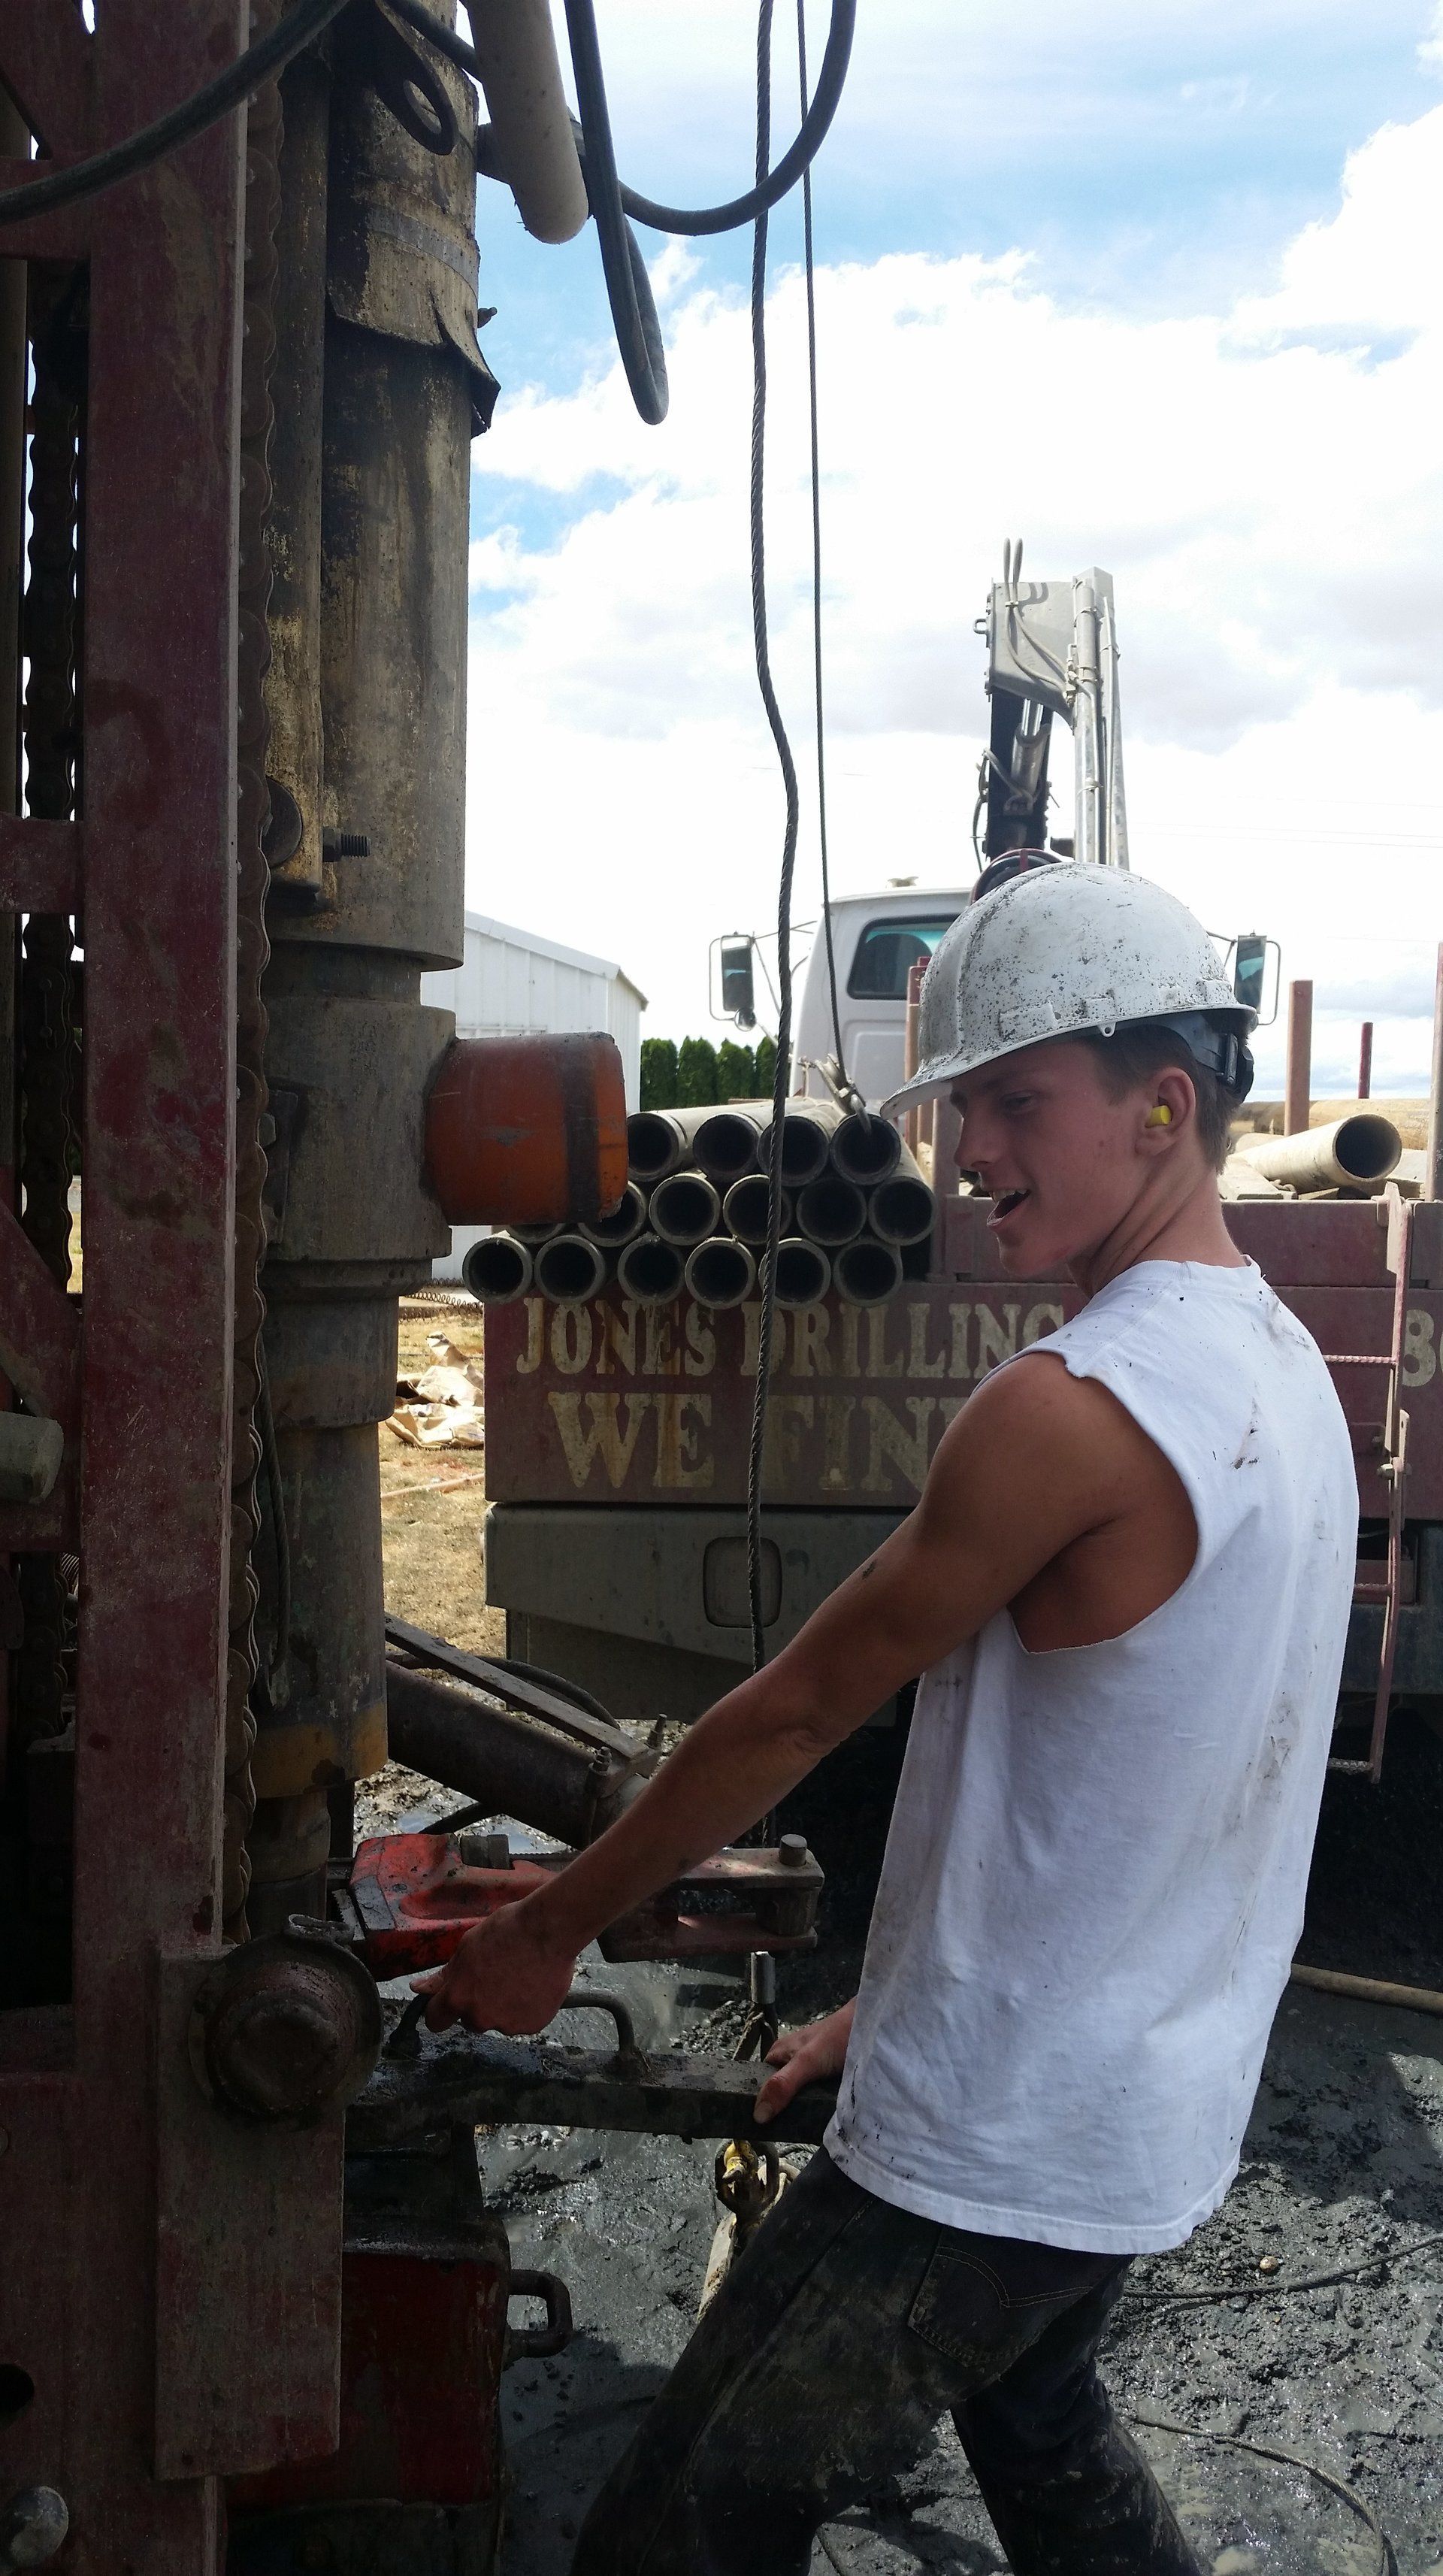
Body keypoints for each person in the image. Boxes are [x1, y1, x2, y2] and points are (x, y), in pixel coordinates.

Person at [416, 865, 1358, 2576]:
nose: (966, 1145)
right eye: (956, 1103)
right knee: (1045, 2429)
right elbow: (1142, 1785)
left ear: (1163, 1107)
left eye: (1017, 1100)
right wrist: (887, 2003)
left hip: (990, 2150)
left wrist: (555, 1927)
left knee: (680, 2534)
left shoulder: (1065, 1413)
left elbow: (789, 1716)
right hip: (1137, 2101)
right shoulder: (1282, 1365)